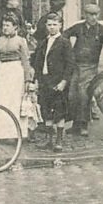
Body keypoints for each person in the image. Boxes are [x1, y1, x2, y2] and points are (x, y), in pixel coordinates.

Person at [63, 3, 103, 137]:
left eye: (96, 14)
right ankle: (75, 125)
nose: (93, 17)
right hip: (75, 66)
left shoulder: (102, 30)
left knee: (84, 94)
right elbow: (64, 36)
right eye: (90, 14)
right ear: (85, 15)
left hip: (90, 67)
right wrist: (67, 51)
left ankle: (83, 125)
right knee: (72, 94)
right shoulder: (78, 27)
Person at [31, 12, 75, 152]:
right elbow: (38, 62)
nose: (52, 27)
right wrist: (36, 79)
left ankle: (59, 140)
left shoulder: (64, 43)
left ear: (60, 26)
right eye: (49, 25)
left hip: (58, 81)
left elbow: (70, 64)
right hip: (45, 80)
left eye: (55, 25)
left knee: (59, 110)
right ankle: (49, 139)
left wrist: (64, 81)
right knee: (46, 109)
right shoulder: (43, 42)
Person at [0, 14, 34, 139]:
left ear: (15, 27)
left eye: (8, 25)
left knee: (15, 102)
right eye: (3, 25)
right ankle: (1, 134)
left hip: (16, 73)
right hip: (2, 72)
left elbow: (25, 61)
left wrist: (27, 80)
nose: (5, 28)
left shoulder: (21, 41)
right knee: (1, 101)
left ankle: (16, 134)